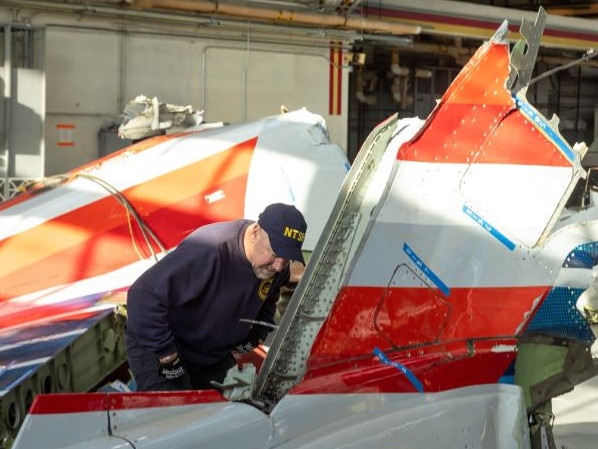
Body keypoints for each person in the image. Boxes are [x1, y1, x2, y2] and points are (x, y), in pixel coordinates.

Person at [125, 203, 307, 391]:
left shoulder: (273, 267)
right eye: (275, 253)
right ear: (255, 232)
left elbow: (269, 298)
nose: (279, 266)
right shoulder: (208, 250)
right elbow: (142, 295)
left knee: (236, 405)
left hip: (210, 353)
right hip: (165, 346)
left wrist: (249, 342)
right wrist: (167, 354)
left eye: (286, 258)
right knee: (175, 411)